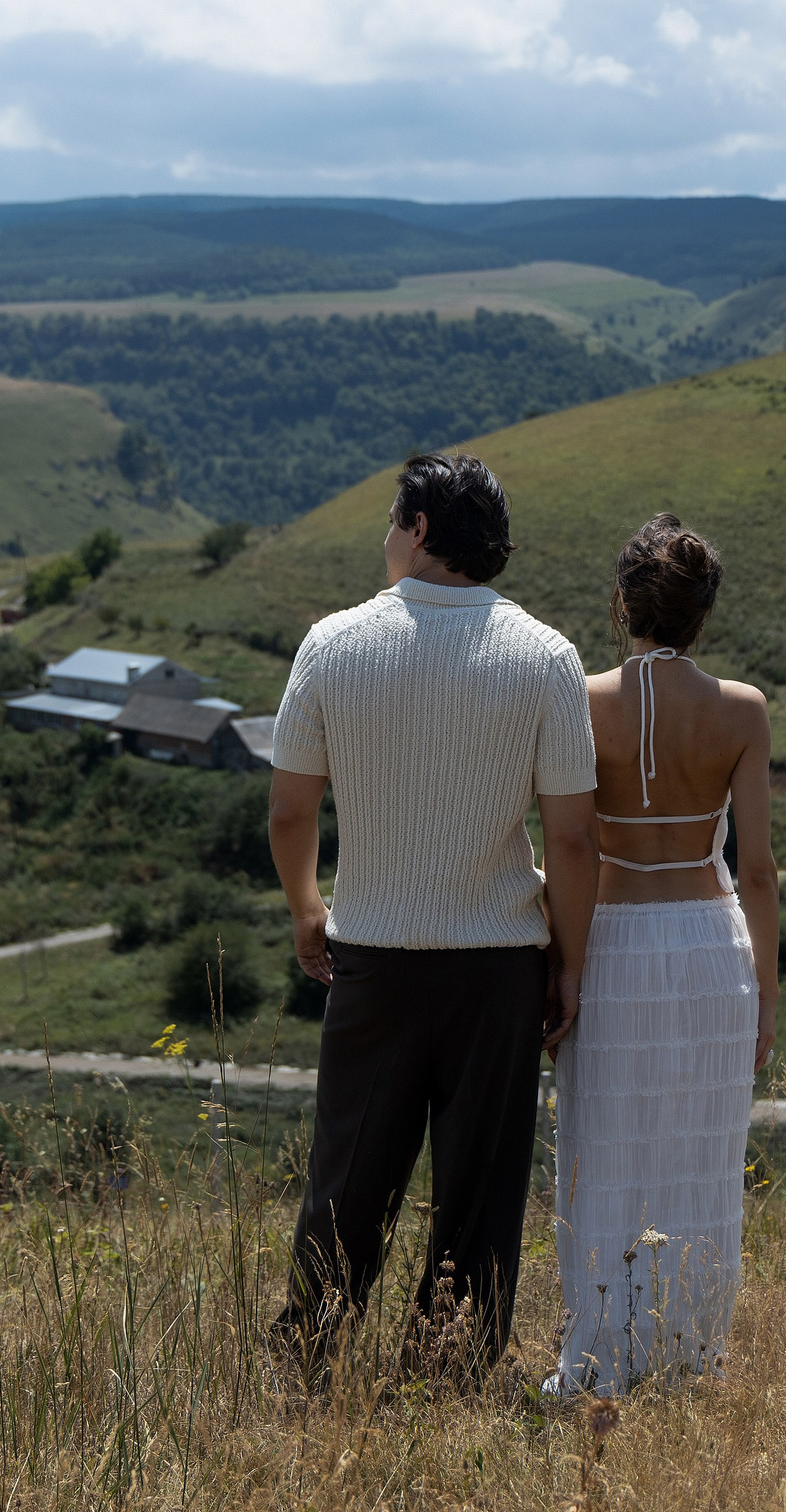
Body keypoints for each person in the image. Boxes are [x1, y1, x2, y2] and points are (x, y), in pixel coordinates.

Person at [267, 452, 600, 1376]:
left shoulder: (332, 645)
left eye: (389, 521)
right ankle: (450, 1364)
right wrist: (567, 963)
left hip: (371, 950)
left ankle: (313, 1353)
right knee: (480, 1182)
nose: (385, 537)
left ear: (418, 530)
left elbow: (292, 808)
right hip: (499, 963)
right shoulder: (547, 658)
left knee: (350, 1172)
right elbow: (572, 839)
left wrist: (305, 907)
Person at [548, 513, 777, 1395]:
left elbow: (567, 842)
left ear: (621, 602)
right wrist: (768, 985)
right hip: (709, 945)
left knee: (602, 1151)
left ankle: (601, 1354)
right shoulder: (743, 710)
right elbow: (754, 866)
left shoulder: (577, 697)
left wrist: (561, 962)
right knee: (701, 1155)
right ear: (703, 612)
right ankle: (688, 1353)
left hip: (609, 945)